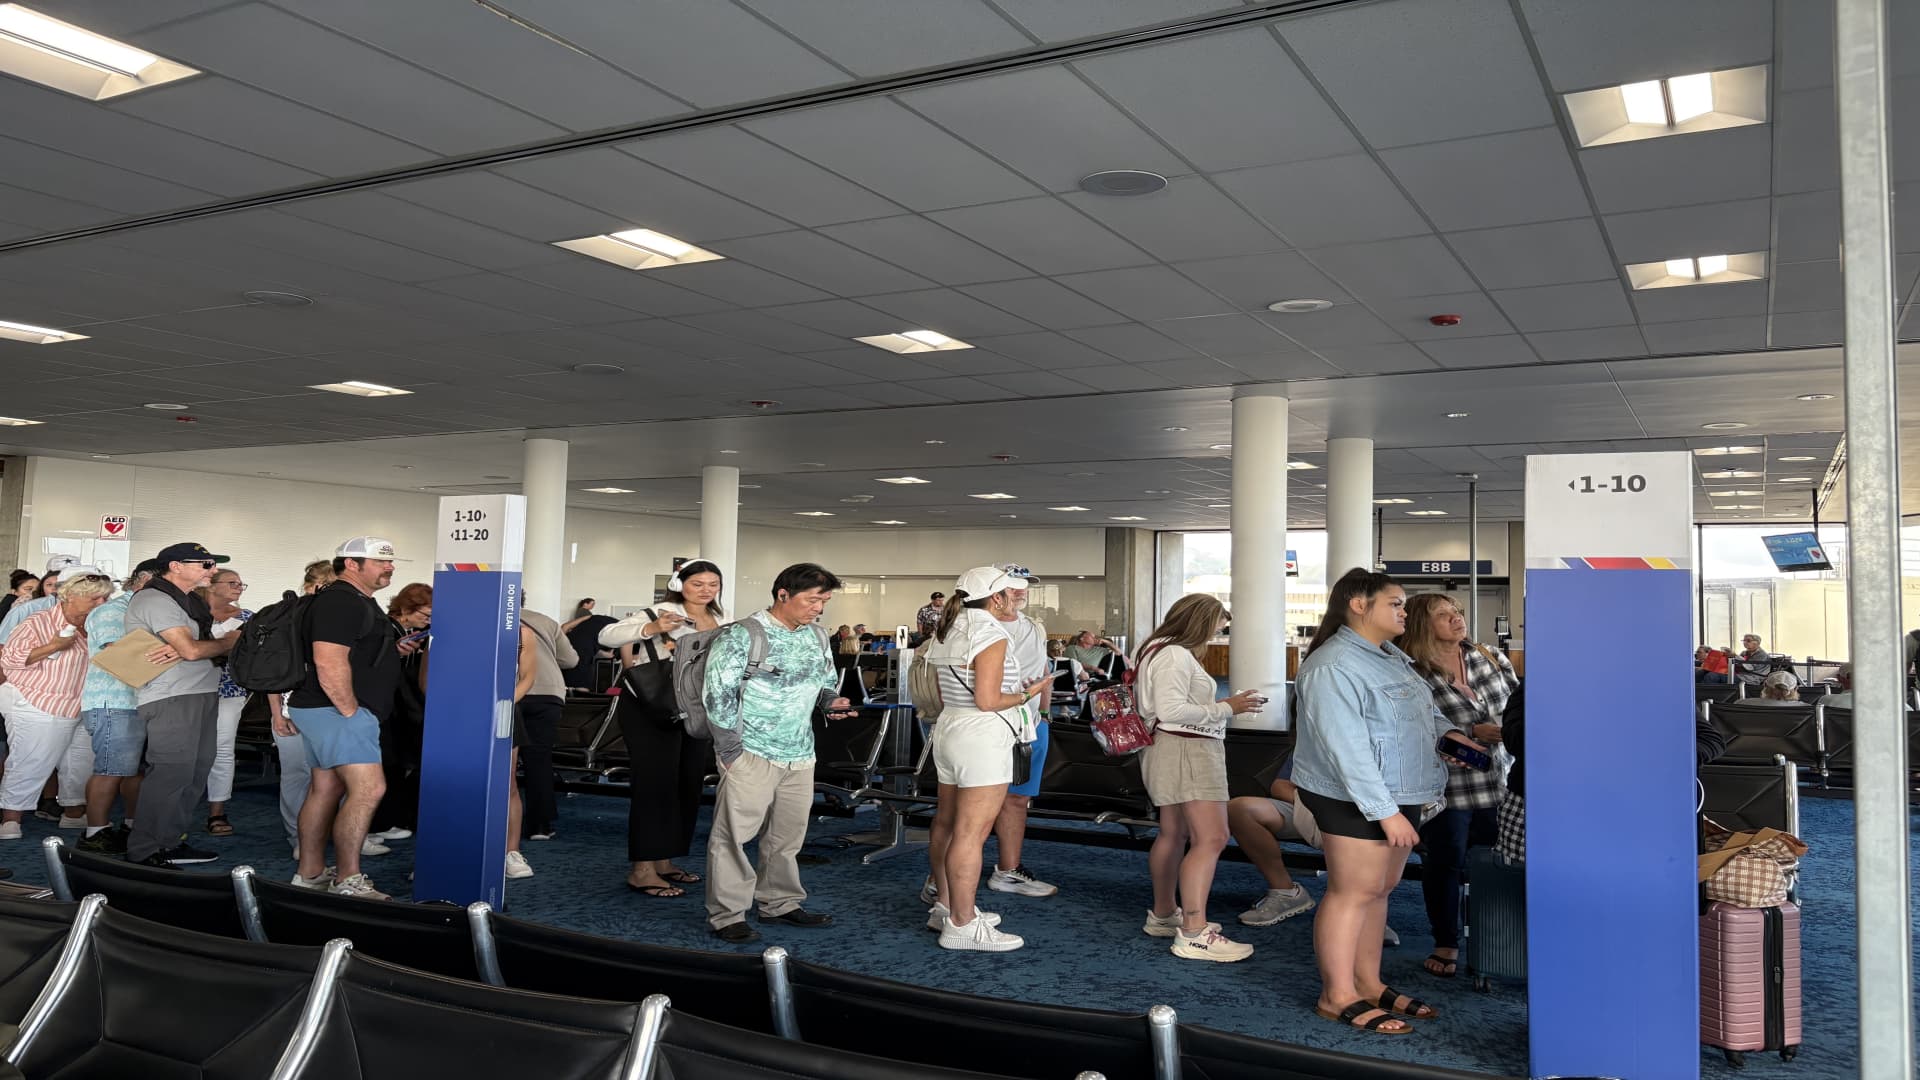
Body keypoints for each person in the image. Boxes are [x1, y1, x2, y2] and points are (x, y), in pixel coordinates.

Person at [1292, 569, 1453, 1036]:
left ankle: (1367, 980)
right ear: (1359, 605)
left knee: (1378, 891)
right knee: (1352, 892)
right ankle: (1336, 993)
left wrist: (1454, 737)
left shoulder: (1388, 657)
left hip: (1402, 791)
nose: (1405, 611)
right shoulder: (1333, 665)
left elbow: (1421, 713)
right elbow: (1346, 749)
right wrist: (1384, 812)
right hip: (1353, 796)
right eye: (1395, 603)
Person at [703, 563, 852, 944]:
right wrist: (731, 752)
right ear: (783, 594)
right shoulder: (743, 635)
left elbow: (825, 683)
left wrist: (832, 702)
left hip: (800, 753)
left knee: (786, 837)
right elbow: (717, 695)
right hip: (751, 751)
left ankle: (780, 902)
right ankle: (727, 914)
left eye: (824, 600)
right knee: (733, 837)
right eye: (812, 599)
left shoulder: (817, 636)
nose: (818, 608)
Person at [921, 567, 1053, 953]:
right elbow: (989, 700)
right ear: (995, 598)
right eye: (1008, 594)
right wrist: (1031, 694)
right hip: (983, 736)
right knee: (971, 833)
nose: (1015, 599)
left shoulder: (948, 629)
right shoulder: (990, 633)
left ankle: (947, 907)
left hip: (950, 731)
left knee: (946, 823)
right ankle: (962, 923)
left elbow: (956, 695)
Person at [1135, 594, 1263, 962]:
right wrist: (1227, 707)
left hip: (1167, 748)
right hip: (1188, 750)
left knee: (1174, 833)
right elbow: (1172, 710)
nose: (1217, 635)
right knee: (1213, 836)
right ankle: (1194, 931)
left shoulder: (1155, 648)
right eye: (1216, 628)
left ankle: (1164, 914)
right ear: (1199, 622)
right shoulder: (1175, 654)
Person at [284, 537, 414, 899]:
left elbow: (352, 653)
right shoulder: (341, 601)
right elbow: (328, 659)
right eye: (379, 562)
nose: (389, 567)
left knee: (325, 789)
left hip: (323, 708)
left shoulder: (352, 600)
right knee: (370, 789)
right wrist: (349, 711)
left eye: (390, 562)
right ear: (352, 565)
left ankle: (310, 873)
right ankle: (348, 879)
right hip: (336, 710)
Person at [1396, 594, 1517, 981]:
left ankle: (1495, 939)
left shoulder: (1486, 655)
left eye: (1457, 612)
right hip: (1448, 786)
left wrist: (1513, 731)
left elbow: (1520, 702)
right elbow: (1404, 727)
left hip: (1502, 780)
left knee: (1497, 863)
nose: (1456, 619)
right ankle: (1445, 941)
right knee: (1444, 863)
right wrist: (1468, 733)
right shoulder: (1409, 670)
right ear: (1420, 624)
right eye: (1443, 615)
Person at [601, 558, 726, 897]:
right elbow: (608, 635)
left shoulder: (719, 618)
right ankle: (642, 869)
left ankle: (665, 860)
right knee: (655, 783)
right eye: (697, 583)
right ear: (679, 584)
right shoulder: (658, 612)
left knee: (686, 783)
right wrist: (652, 629)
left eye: (712, 584)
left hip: (694, 707)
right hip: (652, 706)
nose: (705, 590)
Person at [124, 543, 238, 868]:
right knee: (171, 773)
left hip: (199, 690)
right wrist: (227, 642)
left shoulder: (187, 602)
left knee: (195, 772)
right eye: (205, 564)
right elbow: (189, 651)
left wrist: (209, 646)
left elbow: (194, 648)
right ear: (175, 566)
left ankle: (169, 842)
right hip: (171, 695)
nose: (211, 570)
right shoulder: (155, 598)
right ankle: (145, 850)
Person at [0, 573, 112, 839]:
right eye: (94, 597)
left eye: (105, 597)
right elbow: (10, 659)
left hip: (82, 703)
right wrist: (54, 646)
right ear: (70, 596)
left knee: (80, 762)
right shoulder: (39, 620)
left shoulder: (99, 625)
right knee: (31, 759)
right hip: (35, 699)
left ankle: (73, 813)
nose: (101, 602)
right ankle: (10, 819)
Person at [76, 559, 161, 854]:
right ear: (143, 580)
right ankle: (95, 832)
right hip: (114, 702)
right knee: (111, 770)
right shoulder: (112, 611)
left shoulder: (148, 611)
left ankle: (131, 826)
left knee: (135, 772)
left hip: (142, 702)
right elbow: (119, 655)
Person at [986, 563, 1059, 899]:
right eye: (1012, 585)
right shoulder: (977, 628)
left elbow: (1042, 668)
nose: (1020, 591)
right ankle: (941, 878)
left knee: (1017, 800)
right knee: (973, 803)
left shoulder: (1034, 627)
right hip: (989, 726)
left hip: (1029, 725)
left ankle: (1009, 871)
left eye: (1024, 585)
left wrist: (1043, 712)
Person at [268, 561, 336, 855]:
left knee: (334, 774)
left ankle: (325, 834)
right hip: (292, 707)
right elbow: (272, 671)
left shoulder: (338, 617)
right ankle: (298, 838)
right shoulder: (287, 618)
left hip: (329, 708)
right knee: (298, 775)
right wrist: (276, 713)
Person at [367, 583, 432, 847]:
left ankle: (384, 821)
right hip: (384, 706)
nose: (427, 621)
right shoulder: (385, 629)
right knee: (384, 766)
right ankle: (372, 826)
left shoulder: (405, 632)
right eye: (425, 615)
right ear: (406, 609)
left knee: (393, 765)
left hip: (394, 706)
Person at [516, 594, 579, 857]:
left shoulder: (488, 619)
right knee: (539, 759)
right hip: (548, 692)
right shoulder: (544, 621)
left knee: (504, 764)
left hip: (511, 691)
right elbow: (571, 660)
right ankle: (540, 825)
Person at [201, 568, 255, 837]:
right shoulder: (190, 613)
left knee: (222, 749)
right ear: (211, 585)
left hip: (231, 691)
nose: (238, 587)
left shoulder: (249, 619)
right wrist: (224, 644)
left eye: (240, 583)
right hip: (190, 690)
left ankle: (217, 811)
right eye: (232, 582)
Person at [561, 600, 615, 691]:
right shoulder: (585, 613)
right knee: (581, 685)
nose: (593, 606)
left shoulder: (591, 617)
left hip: (570, 648)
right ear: (585, 604)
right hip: (582, 652)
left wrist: (561, 646)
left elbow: (565, 627)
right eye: (592, 603)